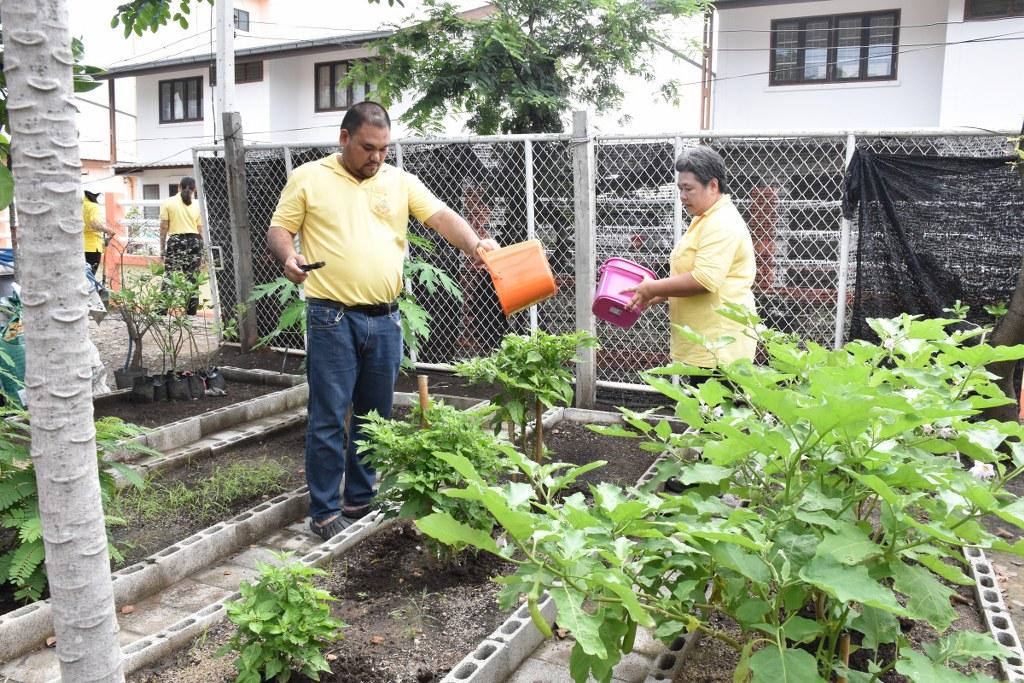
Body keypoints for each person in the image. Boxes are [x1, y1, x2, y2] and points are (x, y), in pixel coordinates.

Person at [267, 101, 500, 541]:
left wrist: (475, 245)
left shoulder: (398, 181)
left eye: (384, 149)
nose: (377, 157)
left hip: (385, 319)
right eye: (368, 148)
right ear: (344, 139)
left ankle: (359, 497)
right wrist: (288, 257)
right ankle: (323, 510)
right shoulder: (309, 177)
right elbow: (279, 229)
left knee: (374, 418)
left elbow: (441, 216)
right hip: (331, 316)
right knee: (329, 416)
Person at [623, 146, 757, 368]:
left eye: (688, 189)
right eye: (680, 189)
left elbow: (704, 279)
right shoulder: (704, 218)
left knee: (714, 403)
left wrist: (653, 288)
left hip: (720, 349)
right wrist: (654, 295)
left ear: (713, 185)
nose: (682, 197)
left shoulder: (721, 222)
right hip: (706, 345)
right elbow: (689, 274)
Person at [159, 177, 204, 315]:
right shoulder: (198, 205)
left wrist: (162, 248)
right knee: (192, 277)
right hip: (195, 241)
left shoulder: (168, 203)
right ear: (194, 189)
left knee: (170, 276)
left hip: (176, 241)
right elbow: (200, 228)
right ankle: (191, 312)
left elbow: (163, 227)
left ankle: (161, 311)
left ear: (179, 187)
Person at [82, 190, 116, 274]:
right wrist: (109, 230)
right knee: (89, 278)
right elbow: (94, 223)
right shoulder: (93, 206)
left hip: (77, 247)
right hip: (92, 247)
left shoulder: (78, 206)